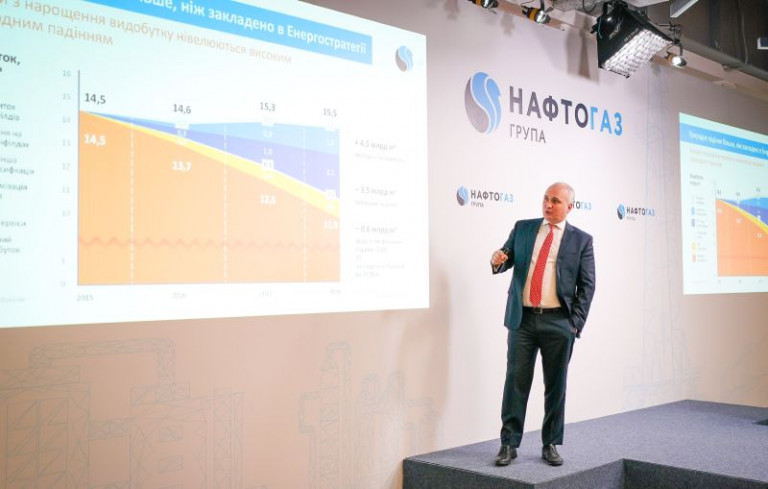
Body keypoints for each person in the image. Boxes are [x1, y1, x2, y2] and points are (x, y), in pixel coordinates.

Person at [490, 182, 595, 467]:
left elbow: (587, 285)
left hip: (558, 322)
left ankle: (550, 444)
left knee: (555, 386)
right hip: (522, 319)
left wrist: (575, 323)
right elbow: (505, 258)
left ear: (569, 207)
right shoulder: (523, 228)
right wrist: (498, 259)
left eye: (556, 201)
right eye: (546, 199)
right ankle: (508, 444)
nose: (548, 204)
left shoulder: (582, 240)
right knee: (515, 382)